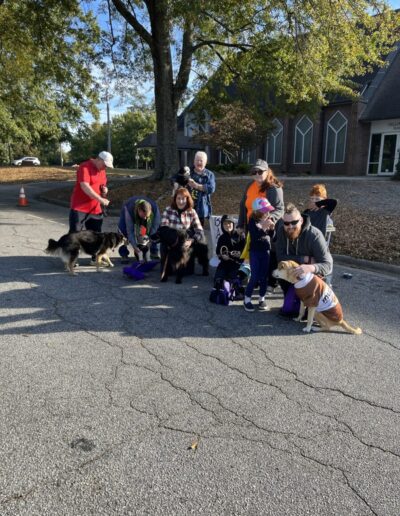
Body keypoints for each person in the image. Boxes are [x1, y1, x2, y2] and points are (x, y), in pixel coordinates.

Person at [275, 203, 333, 314]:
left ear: (301, 220)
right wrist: (304, 259)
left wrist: (310, 267)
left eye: (294, 222)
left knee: (309, 313)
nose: (290, 226)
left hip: (314, 278)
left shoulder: (314, 235)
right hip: (295, 275)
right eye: (286, 223)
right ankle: (293, 300)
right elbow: (280, 257)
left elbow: (328, 265)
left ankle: (310, 306)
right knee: (288, 311)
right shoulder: (281, 232)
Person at [237, 159, 284, 293]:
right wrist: (240, 224)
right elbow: (243, 206)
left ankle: (271, 281)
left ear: (267, 172)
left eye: (260, 171)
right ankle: (256, 279)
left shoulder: (274, 188)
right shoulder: (250, 185)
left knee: (268, 253)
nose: (257, 174)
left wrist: (269, 220)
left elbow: (280, 209)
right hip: (251, 225)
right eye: (254, 172)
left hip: (267, 227)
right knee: (254, 252)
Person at [160, 187, 209, 280]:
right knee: (169, 272)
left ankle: (199, 265)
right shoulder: (168, 210)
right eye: (178, 198)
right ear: (175, 199)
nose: (181, 201)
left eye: (183, 199)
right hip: (171, 241)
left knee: (187, 272)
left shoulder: (192, 211)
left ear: (187, 199)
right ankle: (167, 264)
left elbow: (199, 230)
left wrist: (191, 240)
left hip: (185, 242)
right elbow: (163, 228)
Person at [243, 198, 276, 312]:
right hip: (255, 252)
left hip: (266, 251)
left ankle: (262, 298)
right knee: (255, 276)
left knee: (264, 276)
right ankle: (247, 298)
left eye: (268, 210)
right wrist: (264, 227)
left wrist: (272, 229)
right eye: (265, 211)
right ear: (257, 211)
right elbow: (255, 237)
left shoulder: (269, 219)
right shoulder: (252, 221)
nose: (268, 213)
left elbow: (274, 238)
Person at [69, 151, 112, 233]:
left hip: (95, 209)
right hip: (80, 208)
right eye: (104, 165)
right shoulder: (85, 167)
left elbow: (103, 185)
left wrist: (105, 190)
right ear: (99, 159)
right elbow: (85, 186)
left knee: (96, 236)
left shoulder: (102, 171)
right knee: (75, 235)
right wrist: (100, 199)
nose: (105, 167)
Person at [117, 197, 161, 262]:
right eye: (143, 216)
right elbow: (130, 231)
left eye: (147, 216)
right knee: (122, 230)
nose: (145, 218)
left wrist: (149, 243)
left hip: (149, 212)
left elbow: (154, 229)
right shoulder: (129, 210)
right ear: (139, 210)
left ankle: (154, 251)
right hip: (128, 206)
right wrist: (135, 247)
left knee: (155, 232)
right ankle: (124, 253)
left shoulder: (155, 210)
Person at [213, 215, 246, 291]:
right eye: (225, 224)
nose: (227, 225)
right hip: (224, 263)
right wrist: (222, 256)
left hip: (237, 264)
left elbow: (244, 252)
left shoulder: (240, 235)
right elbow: (218, 252)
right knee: (218, 280)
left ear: (233, 224)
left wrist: (233, 254)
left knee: (233, 282)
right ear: (222, 225)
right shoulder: (222, 238)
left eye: (229, 223)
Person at [187, 151, 216, 226]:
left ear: (205, 163)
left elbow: (211, 188)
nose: (198, 162)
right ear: (194, 161)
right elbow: (176, 179)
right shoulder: (188, 172)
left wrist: (196, 186)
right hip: (187, 206)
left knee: (198, 229)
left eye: (201, 160)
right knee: (186, 228)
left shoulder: (209, 174)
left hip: (201, 207)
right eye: (197, 160)